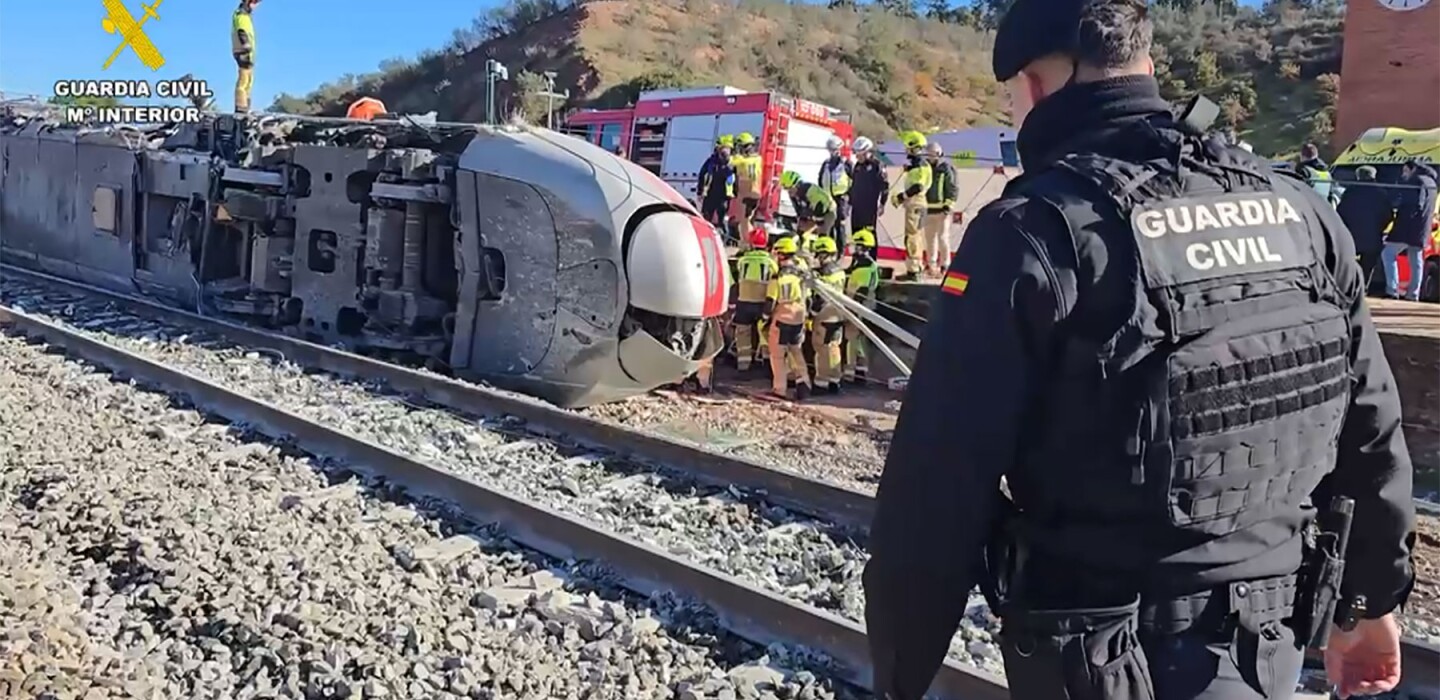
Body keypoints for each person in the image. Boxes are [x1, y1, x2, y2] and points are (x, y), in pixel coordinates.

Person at [862, 2, 1417, 700]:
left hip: (1099, 656)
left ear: (1034, 86)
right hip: (1268, 647)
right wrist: (1367, 604)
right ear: (1145, 64)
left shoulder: (1032, 232)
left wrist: (899, 675)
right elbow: (1370, 426)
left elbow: (935, 492)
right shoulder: (1303, 213)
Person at [764, 237, 810, 401]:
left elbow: (770, 302)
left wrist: (764, 318)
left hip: (782, 319)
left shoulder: (777, 277)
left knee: (777, 355)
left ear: (781, 255)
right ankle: (804, 383)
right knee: (796, 351)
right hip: (798, 318)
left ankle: (779, 389)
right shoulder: (801, 276)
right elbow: (808, 298)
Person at [1384, 160, 1437, 301]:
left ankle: (1392, 289)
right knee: (1416, 260)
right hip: (1422, 229)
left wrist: (1398, 224)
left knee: (1388, 253)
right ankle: (1413, 294)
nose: (1403, 173)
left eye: (1405, 170)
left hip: (1407, 228)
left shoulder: (1415, 181)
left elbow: (1413, 205)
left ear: (1412, 169)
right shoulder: (1431, 183)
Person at [1336, 166, 1394, 293]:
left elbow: (1340, 212)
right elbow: (1389, 215)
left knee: (1348, 262)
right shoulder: (1381, 193)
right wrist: (1379, 227)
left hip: (1351, 236)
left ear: (1358, 176)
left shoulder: (1350, 191)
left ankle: (1347, 287)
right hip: (1373, 237)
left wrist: (1347, 227)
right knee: (1368, 266)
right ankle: (1363, 289)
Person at [732, 230, 777, 372]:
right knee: (765, 333)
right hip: (762, 303)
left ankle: (743, 364)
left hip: (744, 302)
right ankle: (767, 364)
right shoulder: (771, 262)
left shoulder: (743, 261)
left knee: (743, 333)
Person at [807, 236, 847, 394]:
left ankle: (821, 383)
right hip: (838, 315)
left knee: (822, 350)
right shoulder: (840, 271)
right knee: (834, 348)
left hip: (824, 316)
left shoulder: (823, 274)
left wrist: (811, 313)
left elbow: (820, 298)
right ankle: (835, 381)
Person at [891, 131, 932, 280]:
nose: (906, 151)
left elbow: (918, 186)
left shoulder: (920, 166)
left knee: (912, 237)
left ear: (914, 148)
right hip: (918, 204)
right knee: (916, 237)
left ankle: (913, 271)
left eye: (908, 148)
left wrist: (901, 197)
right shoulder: (920, 165)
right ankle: (916, 268)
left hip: (915, 204)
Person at [842, 228, 881, 384]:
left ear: (862, 247)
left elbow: (862, 291)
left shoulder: (865, 267)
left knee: (851, 339)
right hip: (864, 306)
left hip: (859, 306)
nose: (854, 249)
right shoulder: (863, 264)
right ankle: (861, 370)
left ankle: (850, 373)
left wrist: (852, 309)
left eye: (856, 246)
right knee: (858, 340)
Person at [921, 141, 959, 277]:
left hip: (942, 211)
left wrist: (948, 206)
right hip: (928, 209)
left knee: (943, 238)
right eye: (928, 154)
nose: (930, 157)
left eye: (933, 154)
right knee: (929, 239)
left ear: (939, 154)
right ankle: (931, 265)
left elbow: (952, 188)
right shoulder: (924, 168)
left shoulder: (946, 169)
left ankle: (945, 265)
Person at [782, 171, 839, 249]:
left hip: (827, 210)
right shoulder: (793, 194)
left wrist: (818, 222)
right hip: (812, 210)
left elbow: (820, 205)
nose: (789, 192)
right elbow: (799, 210)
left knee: (823, 232)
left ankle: (825, 251)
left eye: (790, 188)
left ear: (797, 185)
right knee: (800, 230)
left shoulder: (810, 190)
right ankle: (799, 248)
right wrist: (802, 221)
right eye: (786, 189)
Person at [849, 137, 890, 241]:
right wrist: (850, 201)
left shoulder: (877, 165)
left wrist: (882, 204)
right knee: (856, 234)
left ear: (867, 152)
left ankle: (871, 251)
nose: (857, 157)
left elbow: (885, 186)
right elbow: (854, 184)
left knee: (869, 234)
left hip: (869, 208)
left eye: (860, 155)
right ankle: (858, 251)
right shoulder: (857, 166)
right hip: (856, 207)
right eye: (856, 155)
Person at [818, 136, 855, 251]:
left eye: (834, 149)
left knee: (840, 225)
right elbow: (820, 179)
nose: (832, 152)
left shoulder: (846, 163)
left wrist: (849, 196)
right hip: (828, 198)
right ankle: (830, 249)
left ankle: (840, 250)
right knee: (829, 224)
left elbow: (854, 181)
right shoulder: (826, 164)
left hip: (841, 198)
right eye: (830, 149)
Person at [729, 133, 764, 246]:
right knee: (746, 220)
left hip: (746, 194)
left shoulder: (741, 161)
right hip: (756, 193)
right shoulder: (758, 159)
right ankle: (753, 241)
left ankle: (748, 243)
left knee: (744, 222)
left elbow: (729, 161)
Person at [700, 135, 736, 239]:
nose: (725, 153)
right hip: (711, 194)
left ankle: (724, 239)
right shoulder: (712, 161)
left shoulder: (733, 163)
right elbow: (702, 174)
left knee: (722, 220)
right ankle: (704, 236)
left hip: (724, 196)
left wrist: (735, 192)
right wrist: (700, 190)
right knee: (706, 218)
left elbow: (736, 179)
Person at [231, 0, 261, 114]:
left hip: (248, 53)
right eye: (254, 2)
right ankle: (241, 106)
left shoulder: (246, 16)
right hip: (242, 51)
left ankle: (246, 105)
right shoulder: (241, 15)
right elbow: (241, 30)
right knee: (244, 78)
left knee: (249, 79)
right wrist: (245, 44)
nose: (255, 6)